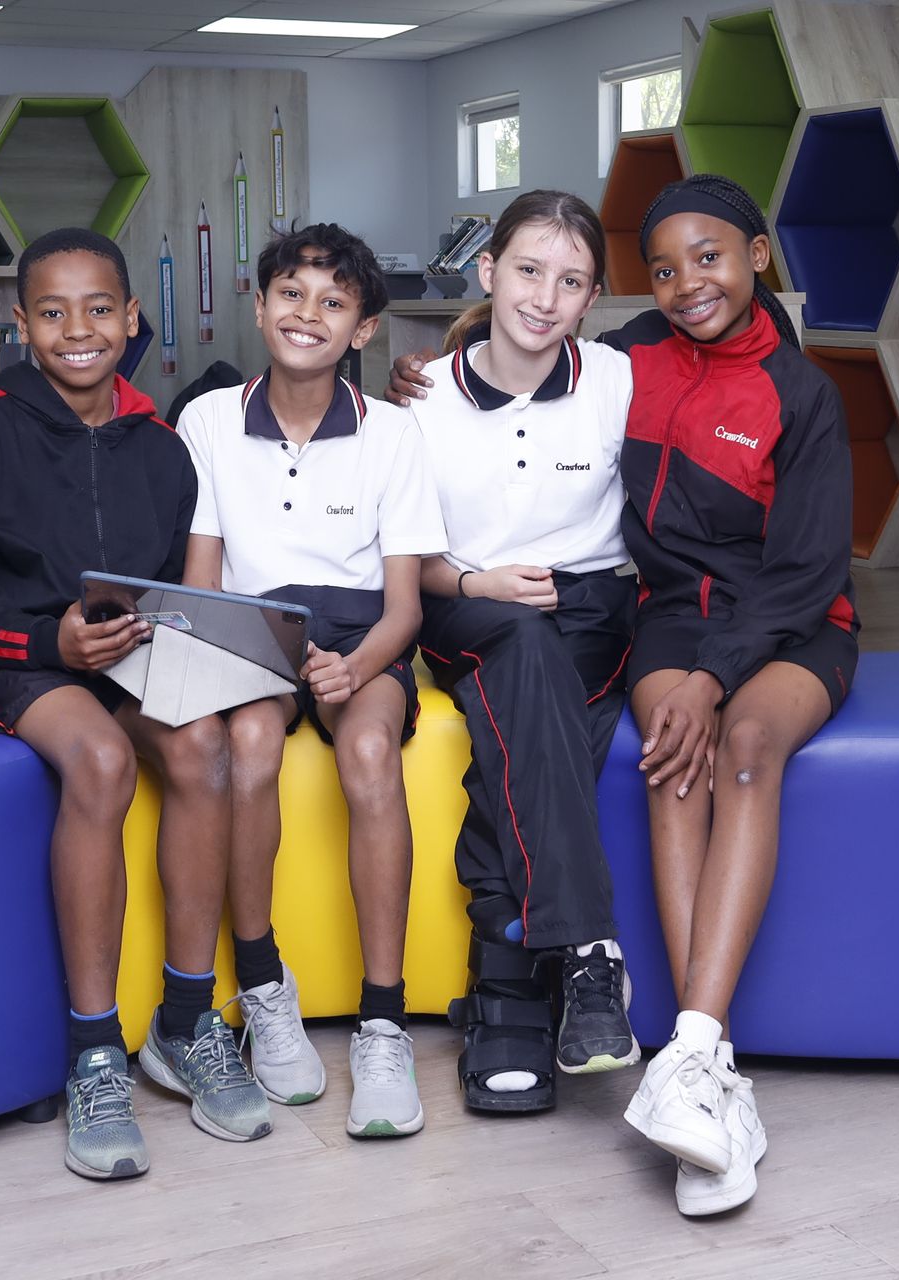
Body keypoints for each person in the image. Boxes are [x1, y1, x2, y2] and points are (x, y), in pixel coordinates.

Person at [0, 227, 271, 1184]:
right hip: (16, 658)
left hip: (129, 654)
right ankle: (94, 1051)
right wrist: (50, 642)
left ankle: (188, 1024)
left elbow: (172, 589)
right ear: (23, 324)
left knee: (201, 750)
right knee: (105, 763)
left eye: (100, 308)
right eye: (54, 311)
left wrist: (158, 642)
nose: (79, 329)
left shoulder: (162, 444)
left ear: (132, 318)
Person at [614, 175, 857, 1216]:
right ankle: (706, 1079)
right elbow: (514, 368)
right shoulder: (625, 359)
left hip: (798, 621)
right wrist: (423, 376)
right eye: (664, 267)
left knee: (746, 747)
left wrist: (721, 675)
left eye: (707, 257)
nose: (685, 284)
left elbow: (809, 572)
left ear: (758, 256)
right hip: (671, 614)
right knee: (677, 760)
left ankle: (692, 1053)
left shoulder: (803, 393)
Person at [176, 223, 447, 1138]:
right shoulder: (209, 421)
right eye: (291, 294)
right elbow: (201, 584)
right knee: (248, 742)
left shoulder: (394, 435)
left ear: (363, 330)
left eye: (334, 302)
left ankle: (383, 1020)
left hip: (361, 635)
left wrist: (356, 665)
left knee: (369, 751)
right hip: (251, 633)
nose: (308, 314)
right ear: (259, 306)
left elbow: (405, 611)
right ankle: (261, 984)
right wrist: (254, 661)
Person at [399, 190, 642, 1115]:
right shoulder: (423, 400)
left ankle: (506, 1000)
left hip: (589, 609)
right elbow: (411, 560)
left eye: (572, 281)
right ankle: (586, 952)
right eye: (530, 271)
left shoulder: (618, 378)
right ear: (489, 271)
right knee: (521, 649)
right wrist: (476, 585)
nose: (546, 297)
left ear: (590, 300)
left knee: (526, 709)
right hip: (466, 603)